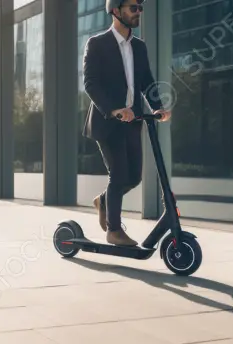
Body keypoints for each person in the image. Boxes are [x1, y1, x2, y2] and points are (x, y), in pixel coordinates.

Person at [82, 0, 171, 247]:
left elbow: (146, 81)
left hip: (133, 121)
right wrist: (114, 109)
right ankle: (114, 230)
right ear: (116, 10)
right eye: (134, 8)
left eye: (140, 8)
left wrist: (158, 107)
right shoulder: (97, 44)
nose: (138, 12)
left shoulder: (139, 47)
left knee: (134, 177)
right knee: (119, 173)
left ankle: (103, 201)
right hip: (108, 121)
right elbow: (91, 83)